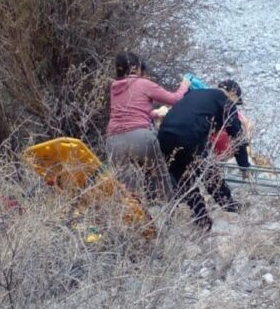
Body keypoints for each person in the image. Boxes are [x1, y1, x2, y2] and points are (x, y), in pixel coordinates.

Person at [157, 79, 251, 231]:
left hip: (164, 137)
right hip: (189, 135)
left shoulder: (196, 94)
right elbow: (237, 134)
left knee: (184, 179)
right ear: (233, 93)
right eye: (236, 101)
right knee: (208, 172)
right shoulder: (224, 100)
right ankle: (229, 206)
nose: (235, 105)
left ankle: (202, 219)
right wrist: (244, 166)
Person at [106, 52, 190, 197]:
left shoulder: (114, 86)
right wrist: (184, 86)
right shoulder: (144, 83)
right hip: (140, 138)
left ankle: (132, 216)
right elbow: (175, 99)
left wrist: (153, 113)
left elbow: (127, 111)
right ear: (134, 67)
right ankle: (168, 212)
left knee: (126, 188)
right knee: (160, 175)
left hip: (113, 140)